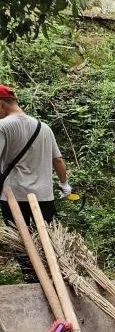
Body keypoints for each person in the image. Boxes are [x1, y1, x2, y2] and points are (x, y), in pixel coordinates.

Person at [0, 84, 71, 283]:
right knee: (51, 237)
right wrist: (65, 184)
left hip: (13, 196)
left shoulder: (2, 127)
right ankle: (59, 274)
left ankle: (32, 279)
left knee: (20, 240)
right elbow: (58, 160)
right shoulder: (44, 127)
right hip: (44, 196)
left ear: (1, 104)